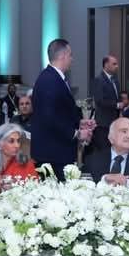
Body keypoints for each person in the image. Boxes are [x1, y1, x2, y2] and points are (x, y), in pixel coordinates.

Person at [30, 38, 92, 174]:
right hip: (52, 154)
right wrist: (77, 133)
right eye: (70, 55)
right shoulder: (49, 80)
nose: (72, 59)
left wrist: (80, 122)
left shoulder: (53, 77)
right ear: (62, 56)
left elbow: (60, 112)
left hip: (56, 151)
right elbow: (49, 118)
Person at [82, 117, 129, 194]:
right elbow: (83, 187)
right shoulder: (92, 159)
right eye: (124, 131)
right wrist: (104, 179)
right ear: (111, 137)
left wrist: (126, 183)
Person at [0, 123, 38, 193]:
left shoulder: (26, 164)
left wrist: (16, 188)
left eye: (18, 141)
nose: (17, 145)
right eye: (11, 141)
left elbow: (35, 192)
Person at [90, 55, 122, 152]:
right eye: (114, 64)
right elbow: (99, 101)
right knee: (104, 151)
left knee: (114, 150)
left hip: (114, 122)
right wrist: (116, 105)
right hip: (104, 123)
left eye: (117, 64)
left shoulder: (115, 80)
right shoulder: (99, 80)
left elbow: (117, 97)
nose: (117, 66)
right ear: (106, 65)